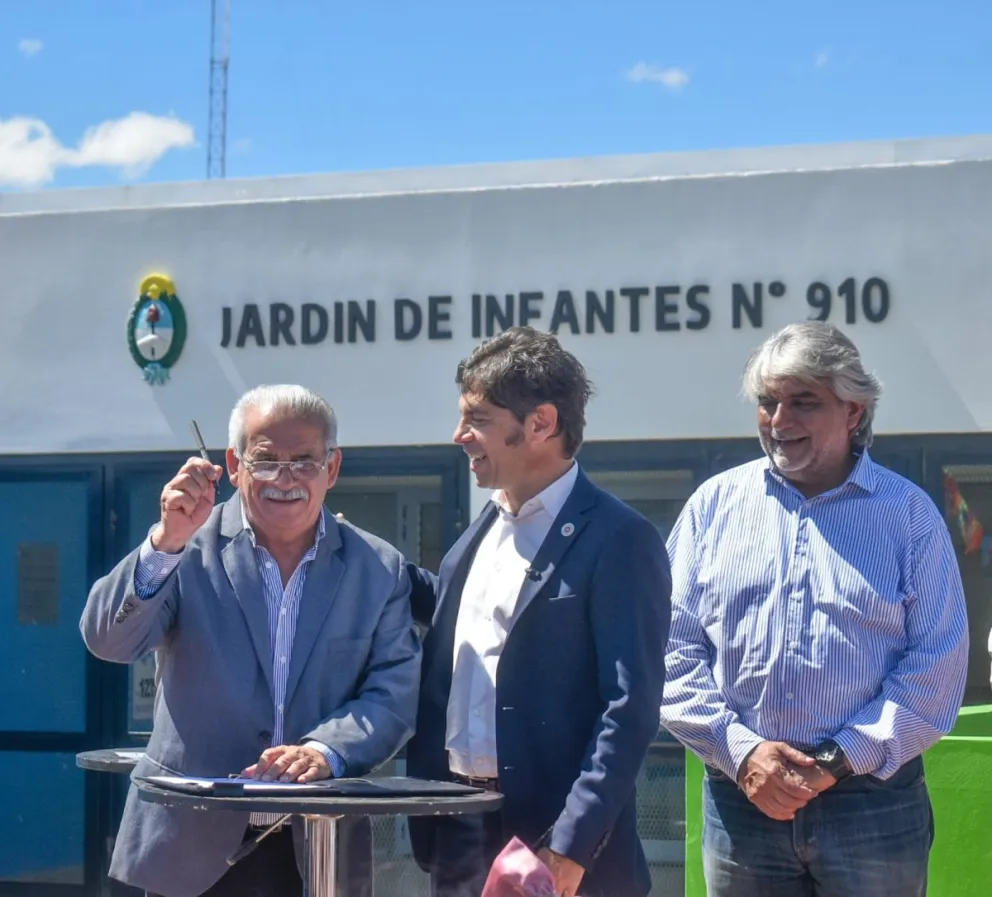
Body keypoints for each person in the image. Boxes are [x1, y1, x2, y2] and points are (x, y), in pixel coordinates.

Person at [659, 321, 969, 897]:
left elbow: (938, 666)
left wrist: (837, 759)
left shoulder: (908, 516)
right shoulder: (713, 507)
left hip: (872, 803)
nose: (780, 421)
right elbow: (668, 648)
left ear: (854, 411)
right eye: (767, 402)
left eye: (803, 402)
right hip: (743, 796)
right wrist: (741, 752)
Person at [80, 384, 422, 897]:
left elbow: (393, 694)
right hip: (190, 849)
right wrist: (165, 541)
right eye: (266, 462)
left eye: (304, 462)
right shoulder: (185, 549)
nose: (286, 479)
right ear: (234, 466)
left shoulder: (378, 568)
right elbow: (109, 640)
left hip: (319, 850)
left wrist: (327, 750)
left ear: (331, 468)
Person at [404, 326, 672, 897]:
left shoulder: (620, 538)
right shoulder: (482, 529)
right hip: (457, 828)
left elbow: (629, 710)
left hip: (553, 847)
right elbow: (450, 617)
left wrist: (572, 845)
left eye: (477, 419)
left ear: (542, 423)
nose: (458, 435)